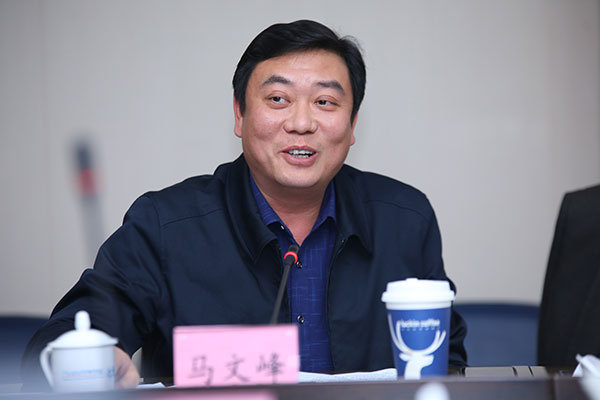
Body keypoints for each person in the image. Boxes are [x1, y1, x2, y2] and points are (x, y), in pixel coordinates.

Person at [22, 20, 467, 389]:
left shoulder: (404, 220)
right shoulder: (165, 226)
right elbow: (61, 339)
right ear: (239, 114)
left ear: (352, 125)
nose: (301, 122)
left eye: (325, 102)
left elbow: (446, 360)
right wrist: (87, 360)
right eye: (278, 99)